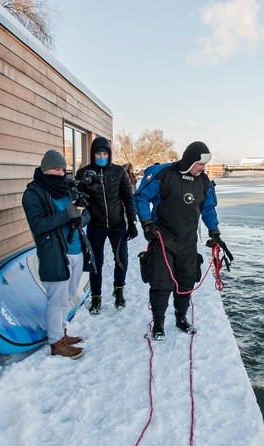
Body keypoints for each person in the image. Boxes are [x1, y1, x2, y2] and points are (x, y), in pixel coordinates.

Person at [133, 141, 223, 340]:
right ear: (191, 161)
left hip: (188, 239)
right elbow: (140, 198)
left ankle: (180, 318)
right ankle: (158, 322)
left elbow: (208, 208)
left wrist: (214, 231)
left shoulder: (204, 182)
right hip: (163, 237)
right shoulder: (164, 174)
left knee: (186, 281)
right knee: (161, 282)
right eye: (200, 164)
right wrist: (147, 222)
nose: (203, 168)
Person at [22, 150, 90, 359]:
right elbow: (39, 224)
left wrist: (81, 219)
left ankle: (61, 332)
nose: (59, 173)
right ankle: (55, 342)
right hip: (54, 252)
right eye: (54, 168)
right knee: (57, 299)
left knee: (68, 296)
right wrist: (66, 215)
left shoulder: (66, 189)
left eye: (62, 169)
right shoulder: (34, 194)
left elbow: (85, 213)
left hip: (76, 249)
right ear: (44, 169)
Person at [75, 137, 137, 314]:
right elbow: (80, 200)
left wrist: (132, 221)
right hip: (96, 225)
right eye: (98, 154)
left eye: (105, 154)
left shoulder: (119, 172)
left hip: (117, 224)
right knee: (96, 263)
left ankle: (119, 292)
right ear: (92, 154)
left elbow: (128, 198)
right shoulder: (84, 173)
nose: (101, 156)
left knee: (121, 260)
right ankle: (96, 298)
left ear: (109, 155)